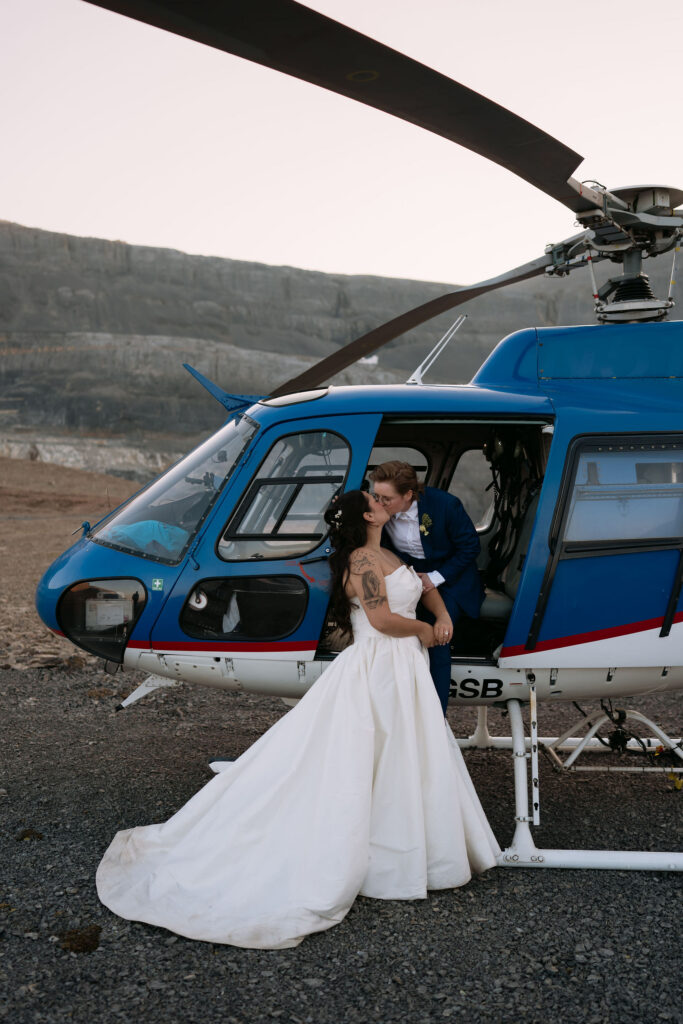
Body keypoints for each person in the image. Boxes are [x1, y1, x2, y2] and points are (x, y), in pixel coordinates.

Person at [96, 490, 499, 949]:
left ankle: (406, 846)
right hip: (380, 664)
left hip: (403, 664)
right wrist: (426, 630)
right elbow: (382, 619)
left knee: (404, 752)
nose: (382, 500)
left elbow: (422, 586)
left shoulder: (387, 552)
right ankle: (386, 855)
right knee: (376, 750)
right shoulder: (363, 561)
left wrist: (441, 616)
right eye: (374, 498)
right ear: (368, 516)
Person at [370, 461, 484, 715]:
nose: (380, 503)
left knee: (437, 637)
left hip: (450, 579)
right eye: (377, 496)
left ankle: (434, 716)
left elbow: (470, 547)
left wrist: (435, 577)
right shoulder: (379, 509)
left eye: (386, 498)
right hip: (406, 577)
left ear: (408, 494)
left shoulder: (445, 505)